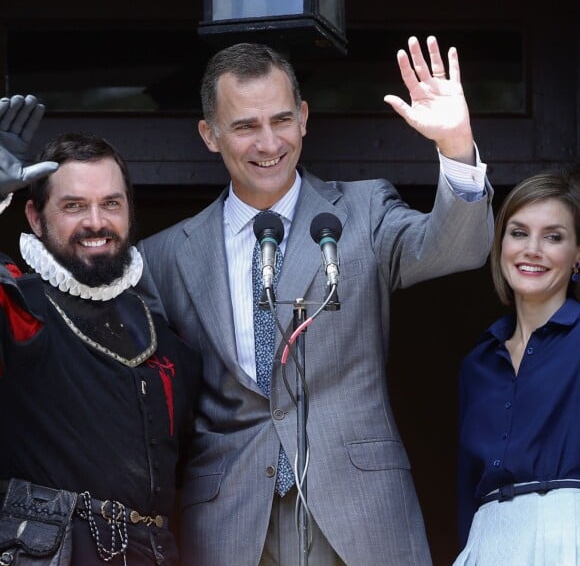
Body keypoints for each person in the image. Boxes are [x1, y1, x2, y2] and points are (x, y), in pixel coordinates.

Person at [136, 36, 494, 565]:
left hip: (359, 512)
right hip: (229, 524)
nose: (268, 142)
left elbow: (460, 248)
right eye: (245, 126)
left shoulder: (363, 210)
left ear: (304, 117)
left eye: (281, 120)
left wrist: (457, 147)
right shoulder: (164, 257)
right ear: (209, 135)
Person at [0, 95, 200, 565]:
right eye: (73, 205)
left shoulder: (166, 338)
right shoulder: (17, 304)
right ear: (35, 217)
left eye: (110, 203)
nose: (95, 222)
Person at [454, 169, 580, 565]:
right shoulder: (479, 362)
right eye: (519, 232)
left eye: (553, 236)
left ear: (577, 255)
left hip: (566, 532)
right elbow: (466, 487)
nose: (533, 249)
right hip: (487, 538)